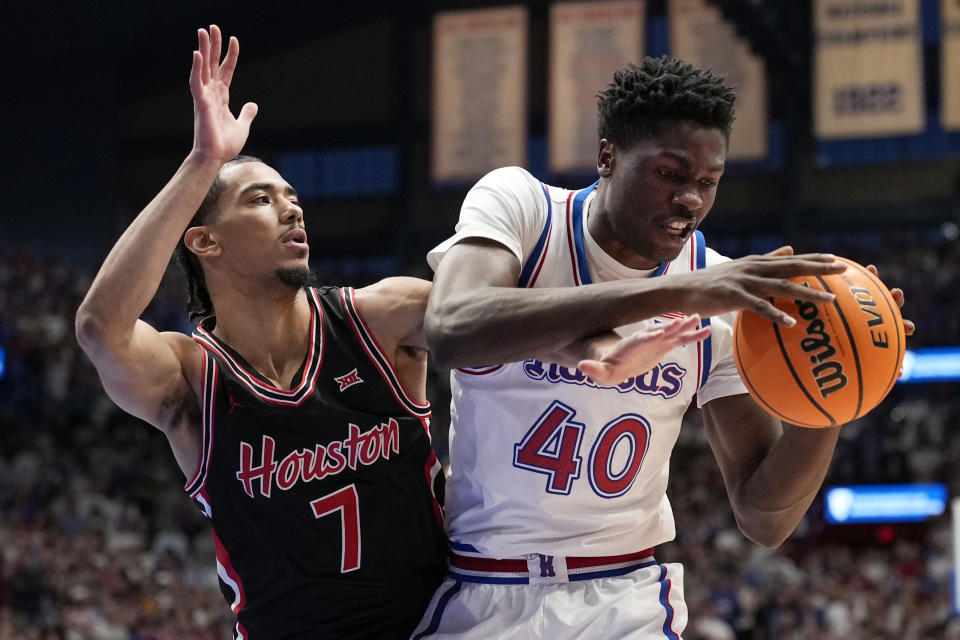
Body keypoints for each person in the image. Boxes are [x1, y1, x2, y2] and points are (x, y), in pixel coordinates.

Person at [413, 57, 913, 639]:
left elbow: (763, 516)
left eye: (707, 182)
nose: (690, 201)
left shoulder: (722, 290)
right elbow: (452, 326)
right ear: (608, 157)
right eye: (670, 174)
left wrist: (835, 399)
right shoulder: (524, 209)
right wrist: (676, 291)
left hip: (622, 596)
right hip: (481, 586)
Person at [75, 26, 447, 640]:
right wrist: (204, 163)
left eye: (292, 197)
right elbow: (99, 327)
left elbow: (496, 320)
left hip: (435, 625)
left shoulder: (380, 316)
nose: (293, 208)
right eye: (261, 199)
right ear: (204, 241)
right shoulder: (190, 379)